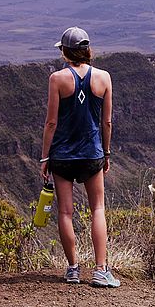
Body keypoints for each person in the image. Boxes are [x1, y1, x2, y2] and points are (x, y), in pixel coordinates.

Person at [39, 26, 119, 287]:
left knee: (65, 211)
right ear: (86, 50)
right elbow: (106, 122)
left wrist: (44, 158)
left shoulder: (57, 79)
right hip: (92, 153)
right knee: (97, 208)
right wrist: (106, 153)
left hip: (62, 154)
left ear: (65, 52)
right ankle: (100, 270)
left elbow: (51, 123)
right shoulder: (104, 78)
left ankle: (73, 269)